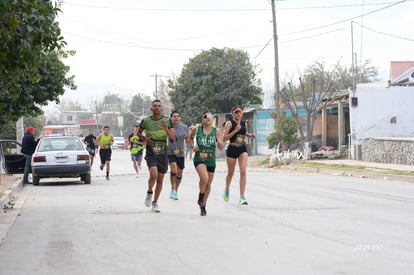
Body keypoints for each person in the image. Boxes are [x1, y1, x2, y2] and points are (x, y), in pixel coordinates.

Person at [138, 99, 175, 213]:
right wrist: (145, 139)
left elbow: (173, 138)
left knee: (160, 179)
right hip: (151, 152)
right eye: (155, 106)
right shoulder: (146, 121)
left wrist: (166, 130)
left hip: (163, 152)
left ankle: (155, 202)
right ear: (151, 108)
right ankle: (149, 191)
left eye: (159, 106)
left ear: (162, 108)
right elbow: (138, 133)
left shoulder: (167, 121)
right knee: (153, 174)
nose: (157, 107)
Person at [188, 111, 224, 216]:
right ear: (202, 118)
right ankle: (201, 195)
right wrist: (193, 146)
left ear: (213, 119)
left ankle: (203, 205)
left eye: (211, 116)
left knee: (208, 183)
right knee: (204, 178)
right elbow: (190, 139)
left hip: (211, 160)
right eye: (206, 116)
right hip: (199, 158)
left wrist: (220, 141)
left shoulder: (216, 131)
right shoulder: (197, 129)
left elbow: (221, 148)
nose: (208, 118)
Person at [222, 106, 256, 205]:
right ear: (232, 113)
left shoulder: (243, 123)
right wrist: (235, 131)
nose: (238, 113)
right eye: (236, 112)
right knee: (231, 173)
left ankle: (242, 197)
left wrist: (249, 135)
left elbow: (243, 133)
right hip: (232, 149)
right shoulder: (229, 123)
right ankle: (227, 189)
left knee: (243, 171)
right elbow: (224, 138)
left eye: (240, 112)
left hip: (242, 148)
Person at [167, 111, 188, 200]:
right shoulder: (168, 127)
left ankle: (176, 190)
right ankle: (172, 188)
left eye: (177, 116)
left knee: (179, 173)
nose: (176, 118)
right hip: (170, 152)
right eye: (174, 116)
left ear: (180, 118)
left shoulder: (184, 127)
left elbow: (187, 139)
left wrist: (192, 145)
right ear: (171, 118)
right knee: (174, 169)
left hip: (180, 153)